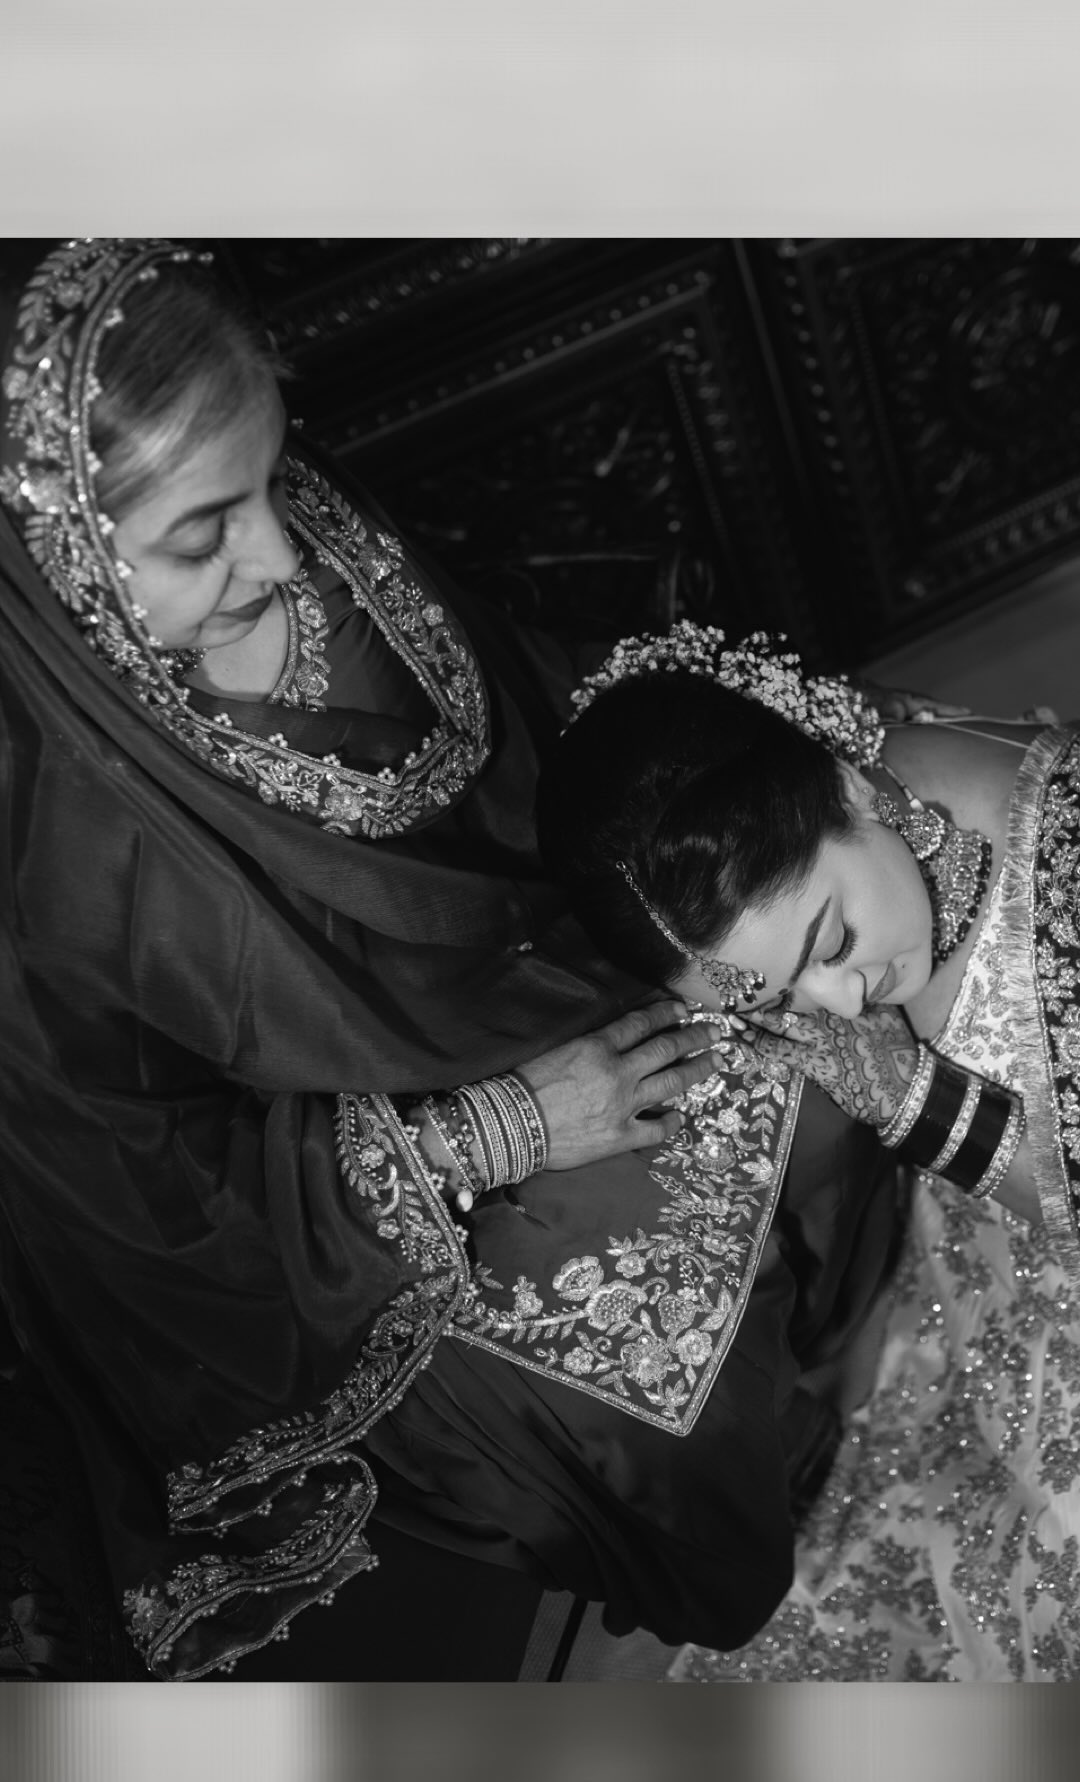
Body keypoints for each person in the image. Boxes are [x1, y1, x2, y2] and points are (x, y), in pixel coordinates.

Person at [0, 238, 904, 1681]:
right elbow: (159, 1223)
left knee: (835, 1053)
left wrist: (655, 891)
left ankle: (860, 1383)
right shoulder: (41, 851)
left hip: (537, 955)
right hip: (362, 1194)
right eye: (204, 531)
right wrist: (508, 1126)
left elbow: (521, 710)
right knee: (656, 1403)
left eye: (273, 477)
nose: (280, 554)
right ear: (58, 558)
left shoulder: (298, 536)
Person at [538, 623, 1080, 1679]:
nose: (839, 1006)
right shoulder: (852, 770)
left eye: (828, 944)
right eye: (771, 997)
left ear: (854, 786)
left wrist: (918, 1100)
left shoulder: (1060, 864)